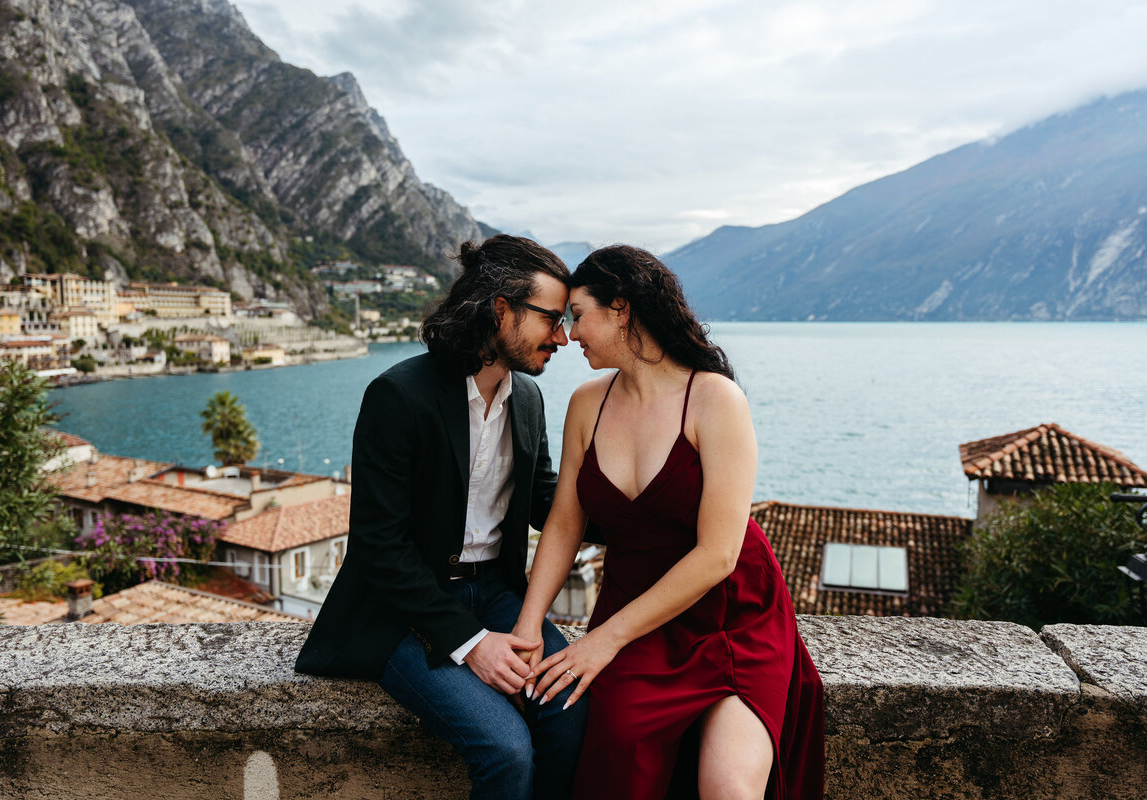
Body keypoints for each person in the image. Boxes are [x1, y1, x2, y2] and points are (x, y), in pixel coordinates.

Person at [512, 245, 824, 799]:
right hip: (637, 618)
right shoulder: (587, 404)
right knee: (619, 770)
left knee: (728, 787)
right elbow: (563, 522)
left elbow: (718, 555)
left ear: (622, 308)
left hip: (730, 618)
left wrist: (601, 640)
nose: (569, 334)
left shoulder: (714, 399)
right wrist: (528, 625)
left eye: (578, 316)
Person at [295, 234, 589, 800]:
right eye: (551, 318)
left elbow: (546, 500)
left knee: (571, 714)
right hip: (403, 610)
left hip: (498, 594)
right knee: (505, 750)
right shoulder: (397, 395)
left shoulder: (526, 399)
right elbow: (380, 547)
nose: (563, 336)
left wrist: (637, 513)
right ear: (501, 310)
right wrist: (471, 643)